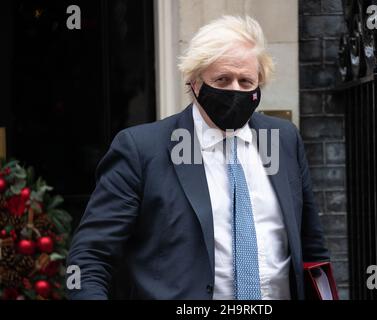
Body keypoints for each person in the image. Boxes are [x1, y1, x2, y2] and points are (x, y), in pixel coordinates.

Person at [67, 15, 329, 300]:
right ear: (194, 81)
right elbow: (91, 256)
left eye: (246, 81)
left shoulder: (282, 140)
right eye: (222, 79)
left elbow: (312, 249)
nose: (235, 91)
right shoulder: (141, 149)